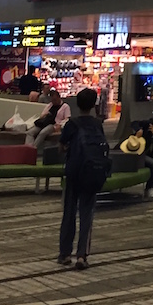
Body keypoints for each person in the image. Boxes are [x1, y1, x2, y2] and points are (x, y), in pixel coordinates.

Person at [58, 89, 110, 270]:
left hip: (74, 172)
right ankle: (82, 255)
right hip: (92, 172)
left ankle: (64, 254)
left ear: (77, 104)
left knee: (69, 213)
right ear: (94, 104)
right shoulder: (98, 124)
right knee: (87, 215)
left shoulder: (71, 124)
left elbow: (62, 146)